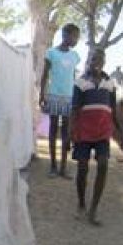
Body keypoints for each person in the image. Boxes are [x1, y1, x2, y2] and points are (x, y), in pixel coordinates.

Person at [70, 48, 116, 226]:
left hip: (103, 131)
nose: (97, 62)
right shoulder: (80, 82)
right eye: (93, 59)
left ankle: (93, 209)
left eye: (100, 59)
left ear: (104, 61)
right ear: (88, 61)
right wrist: (70, 134)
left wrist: (120, 131)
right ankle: (81, 203)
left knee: (103, 164)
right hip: (84, 131)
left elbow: (112, 107)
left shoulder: (109, 82)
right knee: (82, 168)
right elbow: (75, 109)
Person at [39, 23, 81, 178]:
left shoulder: (75, 56)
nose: (76, 40)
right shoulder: (51, 53)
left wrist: (76, 96)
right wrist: (41, 95)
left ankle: (63, 167)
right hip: (54, 95)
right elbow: (45, 75)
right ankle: (53, 166)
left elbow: (73, 77)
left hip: (69, 97)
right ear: (65, 35)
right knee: (53, 130)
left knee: (66, 133)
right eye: (75, 36)